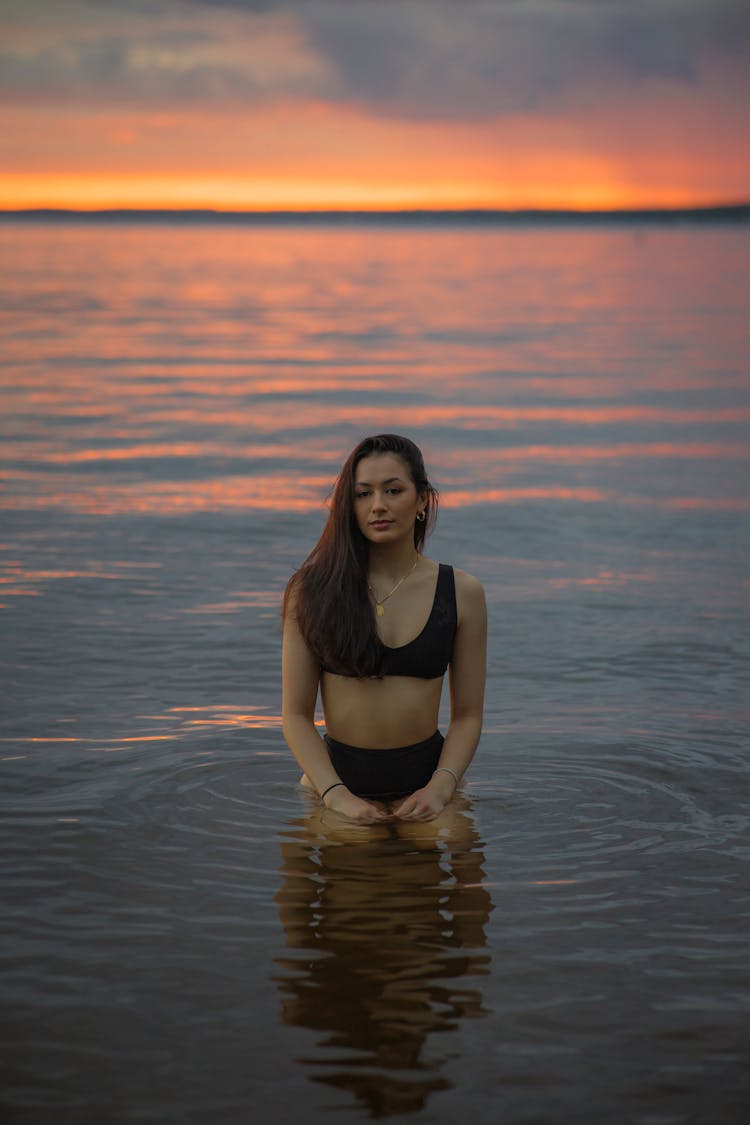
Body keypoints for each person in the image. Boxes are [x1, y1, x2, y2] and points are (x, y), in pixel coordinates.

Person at [281, 433, 486, 824]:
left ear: (422, 499)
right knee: (355, 865)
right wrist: (337, 796)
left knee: (454, 852)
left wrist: (440, 788)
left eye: (393, 490)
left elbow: (468, 715)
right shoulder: (312, 592)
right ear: (349, 505)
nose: (378, 506)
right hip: (334, 783)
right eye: (362, 494)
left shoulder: (462, 592)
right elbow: (295, 716)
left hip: (429, 783)